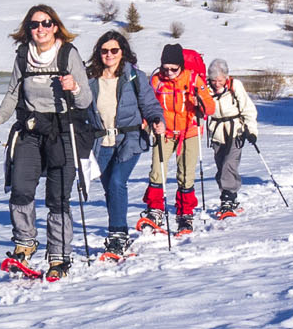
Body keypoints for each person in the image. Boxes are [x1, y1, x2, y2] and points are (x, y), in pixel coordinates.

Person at [0, 4, 93, 280]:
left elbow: (85, 100)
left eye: (46, 23)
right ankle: (25, 242)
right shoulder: (23, 56)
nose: (40, 29)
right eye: (34, 24)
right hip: (31, 129)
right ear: (28, 29)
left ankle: (59, 255)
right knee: (20, 187)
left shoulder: (68, 54)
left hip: (63, 130)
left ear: (55, 26)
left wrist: (74, 87)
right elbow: (13, 94)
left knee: (57, 197)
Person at [84, 29, 163, 257]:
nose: (109, 54)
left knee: (118, 182)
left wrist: (156, 119)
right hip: (101, 141)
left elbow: (150, 104)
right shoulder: (90, 78)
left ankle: (118, 235)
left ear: (122, 52)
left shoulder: (135, 76)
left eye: (114, 50)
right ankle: (117, 233)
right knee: (110, 189)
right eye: (104, 50)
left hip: (129, 139)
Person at [142, 43, 216, 235]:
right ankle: (155, 209)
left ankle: (185, 214)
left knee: (185, 174)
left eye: (174, 69)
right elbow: (148, 104)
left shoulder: (193, 80)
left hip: (188, 132)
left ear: (181, 66)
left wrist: (200, 104)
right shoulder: (157, 80)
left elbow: (210, 107)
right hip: (164, 132)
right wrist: (147, 122)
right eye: (165, 68)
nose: (169, 72)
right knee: (157, 172)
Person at [203, 57, 259, 217]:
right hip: (216, 131)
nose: (216, 83)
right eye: (213, 80)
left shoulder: (235, 86)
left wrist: (252, 131)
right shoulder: (205, 89)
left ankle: (226, 197)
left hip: (236, 131)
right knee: (221, 166)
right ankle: (231, 197)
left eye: (220, 80)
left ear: (226, 77)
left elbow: (248, 109)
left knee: (229, 164)